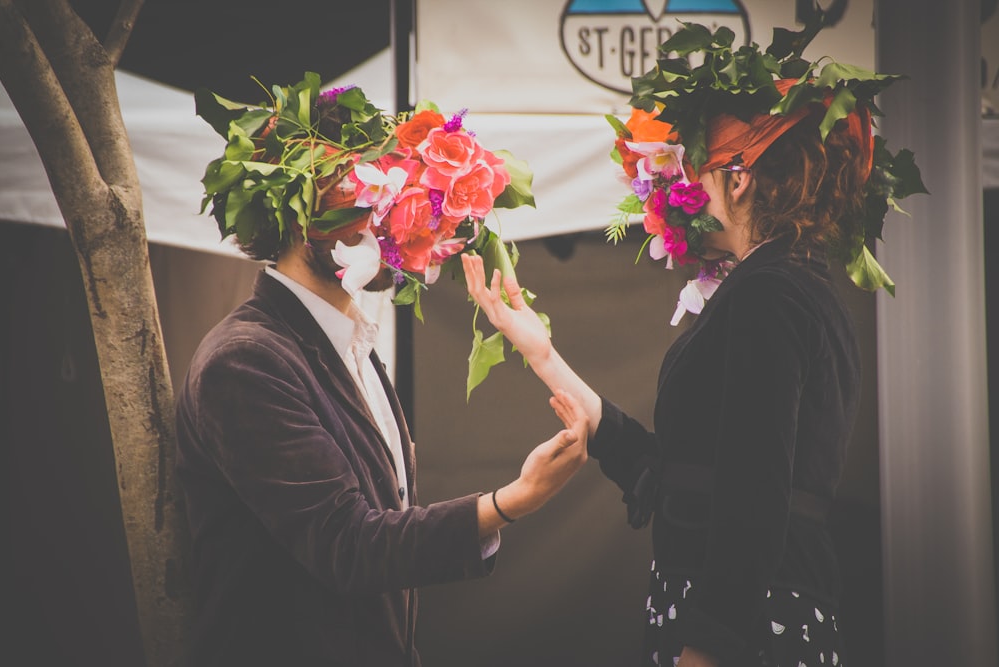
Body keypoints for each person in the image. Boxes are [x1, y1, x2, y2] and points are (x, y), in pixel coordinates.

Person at [462, 20, 924, 667]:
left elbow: (753, 495)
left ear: (738, 178)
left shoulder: (772, 293)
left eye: (700, 168)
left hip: (742, 624)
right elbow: (679, 473)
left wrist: (705, 650)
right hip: (746, 613)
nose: (691, 189)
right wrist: (540, 352)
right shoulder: (783, 285)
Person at [175, 77, 589, 666]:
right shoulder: (244, 361)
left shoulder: (347, 341)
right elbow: (347, 543)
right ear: (298, 218)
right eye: (360, 197)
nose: (385, 217)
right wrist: (509, 502)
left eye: (386, 194)